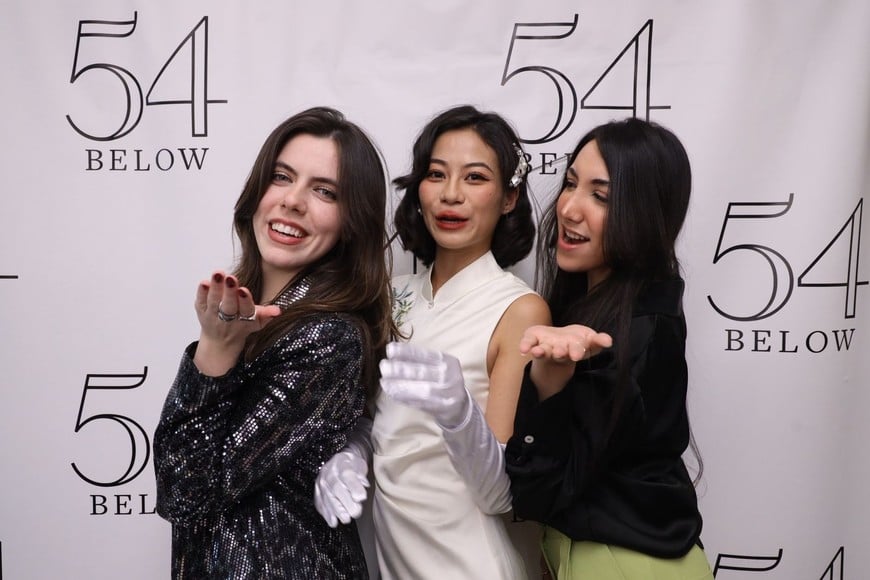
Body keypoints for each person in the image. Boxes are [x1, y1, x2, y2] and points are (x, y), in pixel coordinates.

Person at [152, 106, 396, 579]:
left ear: (352, 221)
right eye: (282, 177)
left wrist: (215, 350)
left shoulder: (330, 337)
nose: (293, 201)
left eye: (324, 191)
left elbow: (184, 490)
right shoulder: (244, 315)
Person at [313, 105, 552, 579]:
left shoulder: (519, 310)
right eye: (436, 174)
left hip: (471, 561)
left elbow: (499, 495)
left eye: (475, 178)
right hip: (395, 556)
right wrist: (352, 454)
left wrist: (458, 412)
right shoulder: (392, 295)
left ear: (509, 197)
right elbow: (383, 422)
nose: (451, 195)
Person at [504, 117, 714, 579]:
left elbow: (540, 493)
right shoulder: (612, 311)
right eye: (571, 184)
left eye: (601, 196)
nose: (569, 208)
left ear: (645, 212)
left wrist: (547, 377)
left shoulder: (635, 330)